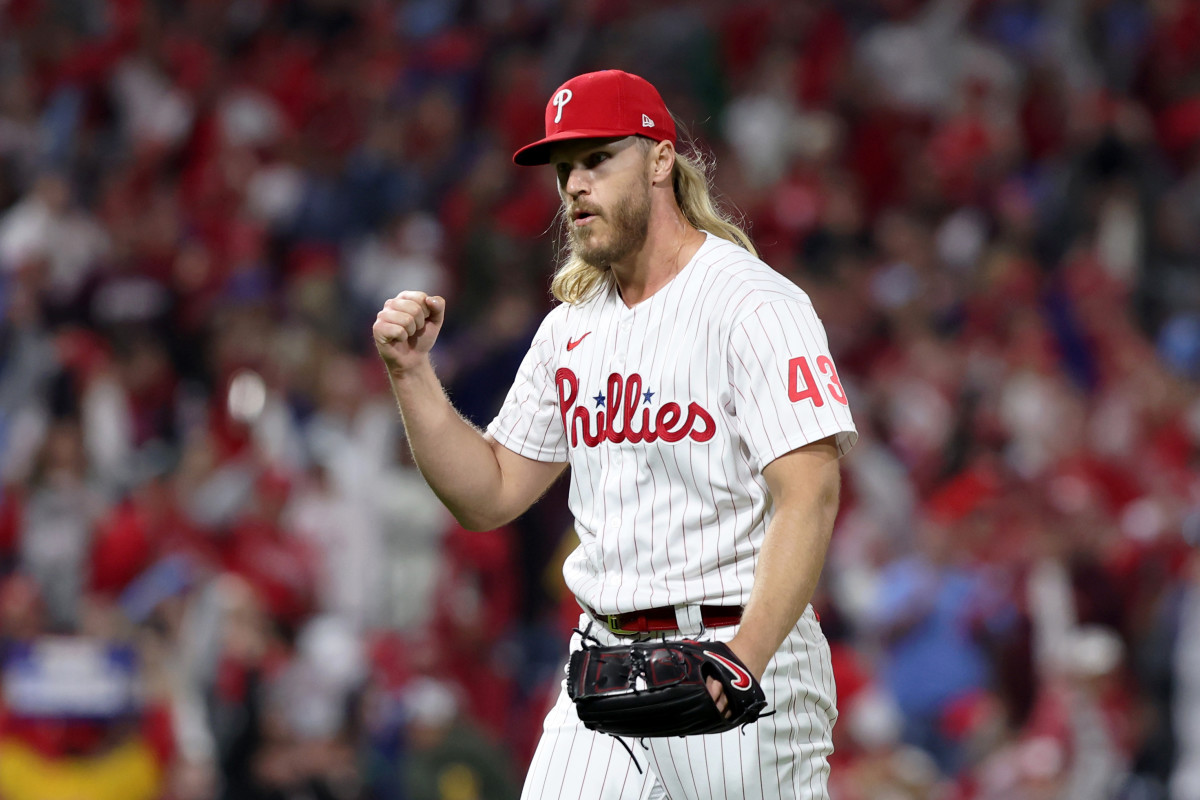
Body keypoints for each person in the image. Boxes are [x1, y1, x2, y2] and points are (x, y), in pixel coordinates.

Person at [373, 69, 857, 800]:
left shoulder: (751, 303)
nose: (575, 185)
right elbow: (491, 493)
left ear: (661, 159)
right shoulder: (572, 326)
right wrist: (411, 376)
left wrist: (745, 657)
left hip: (734, 650)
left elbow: (811, 493)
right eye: (565, 168)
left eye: (599, 159)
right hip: (603, 668)